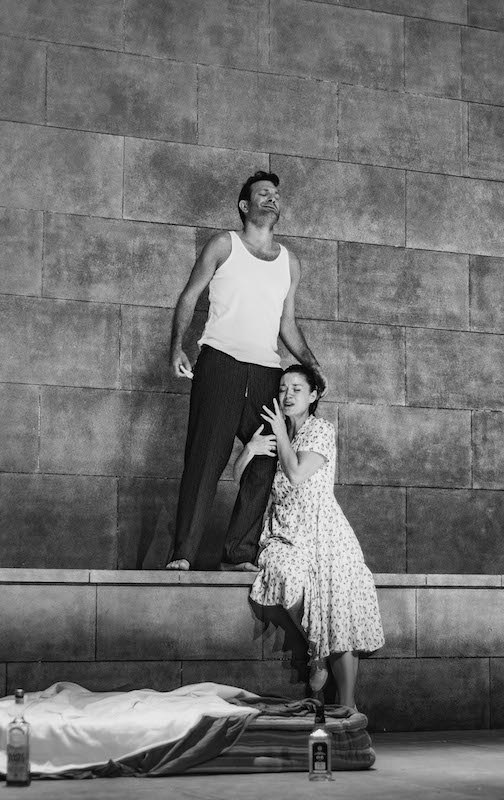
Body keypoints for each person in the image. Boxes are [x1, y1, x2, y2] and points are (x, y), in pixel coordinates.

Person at [166, 171, 325, 571]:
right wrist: (177, 347)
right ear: (244, 205)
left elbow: (287, 323)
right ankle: (182, 554)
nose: (272, 198)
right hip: (219, 362)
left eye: (276, 194)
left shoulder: (289, 262)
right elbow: (189, 296)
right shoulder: (225, 245)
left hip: (266, 372)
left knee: (266, 458)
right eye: (263, 193)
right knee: (205, 458)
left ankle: (238, 553)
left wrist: (312, 363)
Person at [241, 364, 384, 711]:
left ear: (313, 395)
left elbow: (296, 473)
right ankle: (316, 651)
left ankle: (348, 706)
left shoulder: (320, 429)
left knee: (339, 606)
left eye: (297, 389)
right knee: (285, 573)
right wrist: (250, 449)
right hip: (284, 532)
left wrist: (280, 432)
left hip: (325, 530)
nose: (287, 395)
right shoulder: (273, 434)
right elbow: (239, 478)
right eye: (282, 388)